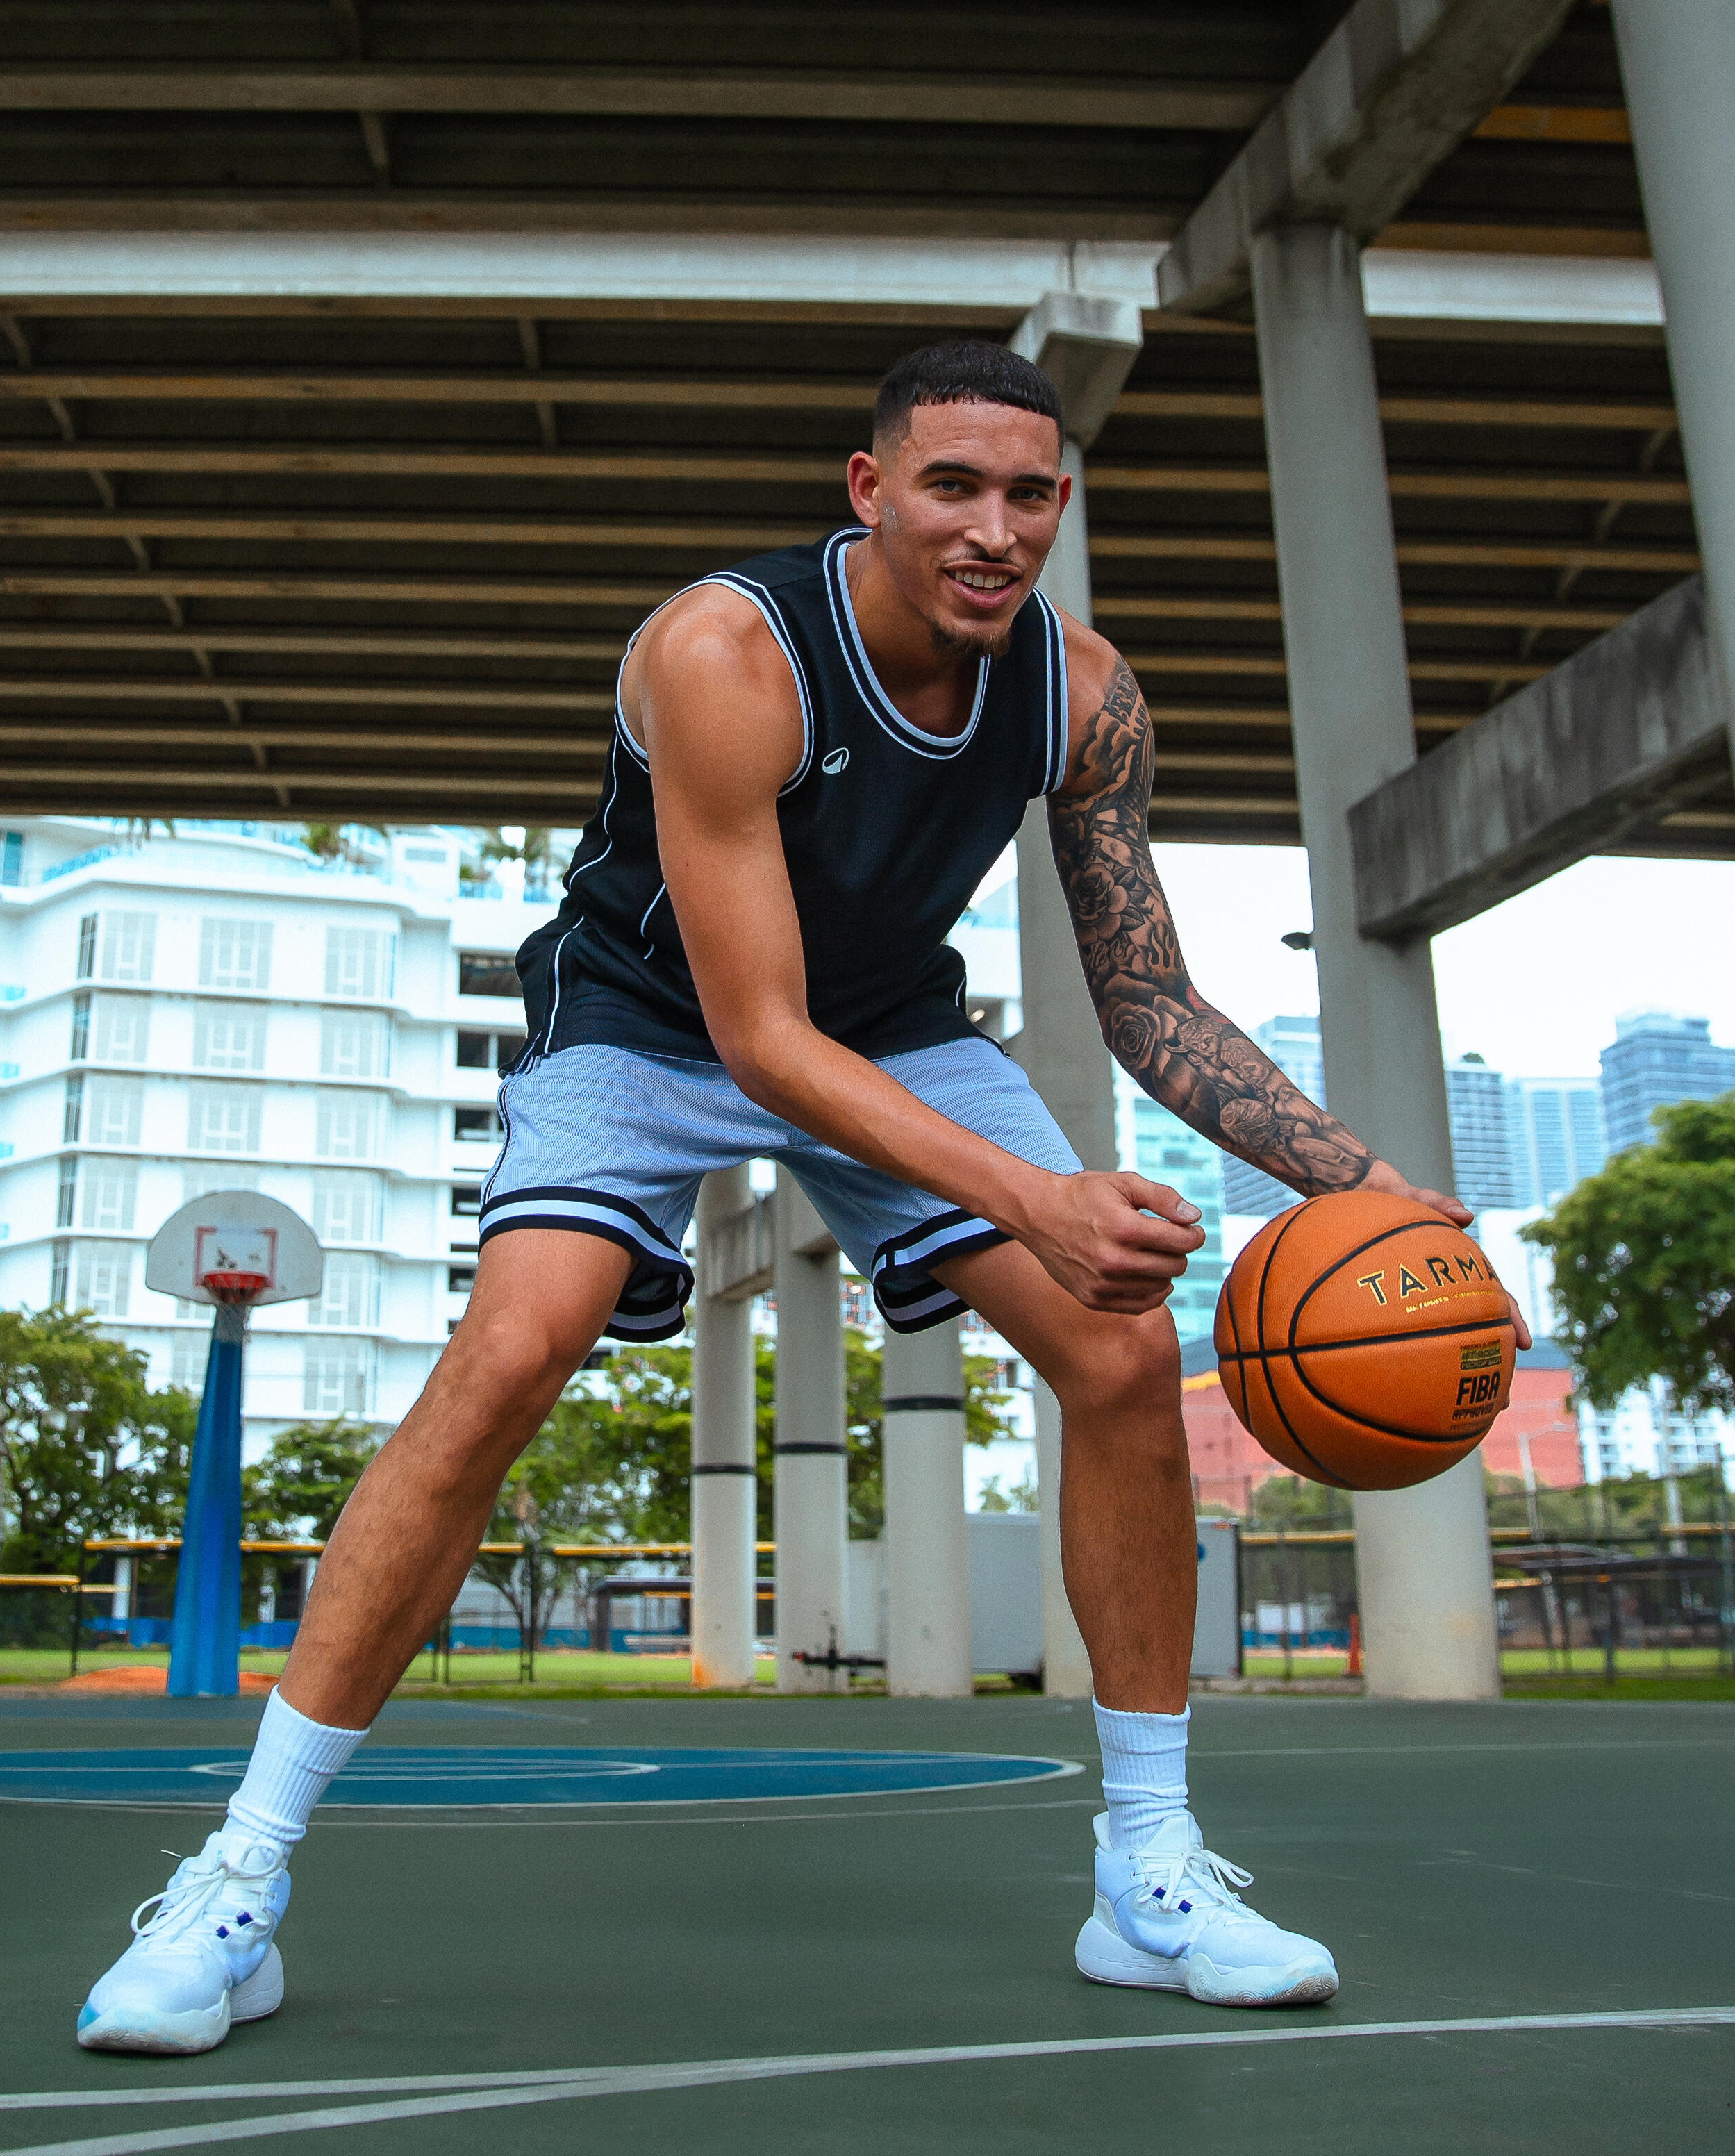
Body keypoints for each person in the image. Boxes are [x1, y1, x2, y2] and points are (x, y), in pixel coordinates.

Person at [77, 338, 1519, 2053]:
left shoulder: (1082, 694)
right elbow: (757, 1039)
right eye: (953, 488)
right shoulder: (725, 654)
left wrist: (1380, 1194)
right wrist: (1041, 1200)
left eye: (1030, 495)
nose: (995, 530)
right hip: (650, 1014)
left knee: (1120, 1363)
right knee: (511, 1355)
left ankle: (1150, 1871)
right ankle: (236, 1884)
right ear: (872, 491)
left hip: (894, 1023)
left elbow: (1146, 1001)